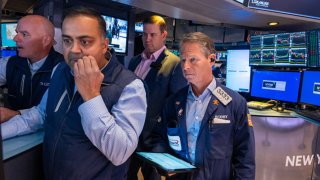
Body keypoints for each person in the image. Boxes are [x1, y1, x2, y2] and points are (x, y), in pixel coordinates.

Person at [1, 6, 147, 180]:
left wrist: (91, 96)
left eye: (85, 42)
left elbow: (119, 153)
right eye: (68, 41)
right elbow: (40, 115)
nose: (74, 50)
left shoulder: (130, 86)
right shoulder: (60, 70)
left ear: (104, 45)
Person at [155, 32, 255, 179]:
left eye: (193, 60)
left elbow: (245, 158)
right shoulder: (173, 102)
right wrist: (164, 164)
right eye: (183, 60)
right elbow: (160, 139)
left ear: (211, 59)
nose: (186, 66)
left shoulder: (235, 103)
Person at [127, 15, 187, 180]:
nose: (147, 39)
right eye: (144, 34)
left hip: (152, 139)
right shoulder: (134, 61)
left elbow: (177, 106)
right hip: (130, 133)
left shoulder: (174, 64)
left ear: (164, 35)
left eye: (152, 34)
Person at [0, 15, 63, 122]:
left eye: (24, 34)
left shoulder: (63, 69)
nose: (15, 38)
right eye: (16, 33)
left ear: (46, 41)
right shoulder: (9, 63)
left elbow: (54, 112)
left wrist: (16, 114)